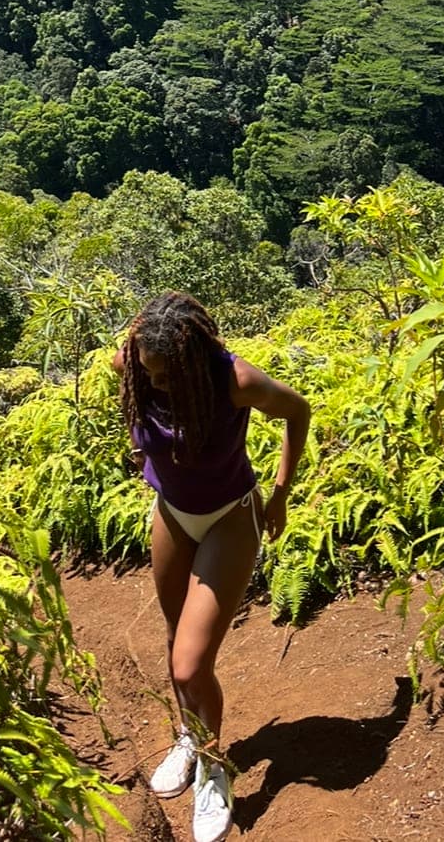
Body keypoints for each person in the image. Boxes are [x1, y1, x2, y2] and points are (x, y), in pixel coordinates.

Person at [113, 291, 310, 842]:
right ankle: (187, 734)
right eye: (146, 372)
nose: (153, 383)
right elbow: (131, 394)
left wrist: (281, 493)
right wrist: (140, 446)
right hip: (172, 513)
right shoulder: (132, 361)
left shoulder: (236, 380)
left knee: (189, 665)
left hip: (230, 514)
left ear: (193, 362)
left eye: (164, 376)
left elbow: (298, 411)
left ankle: (212, 764)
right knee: (176, 636)